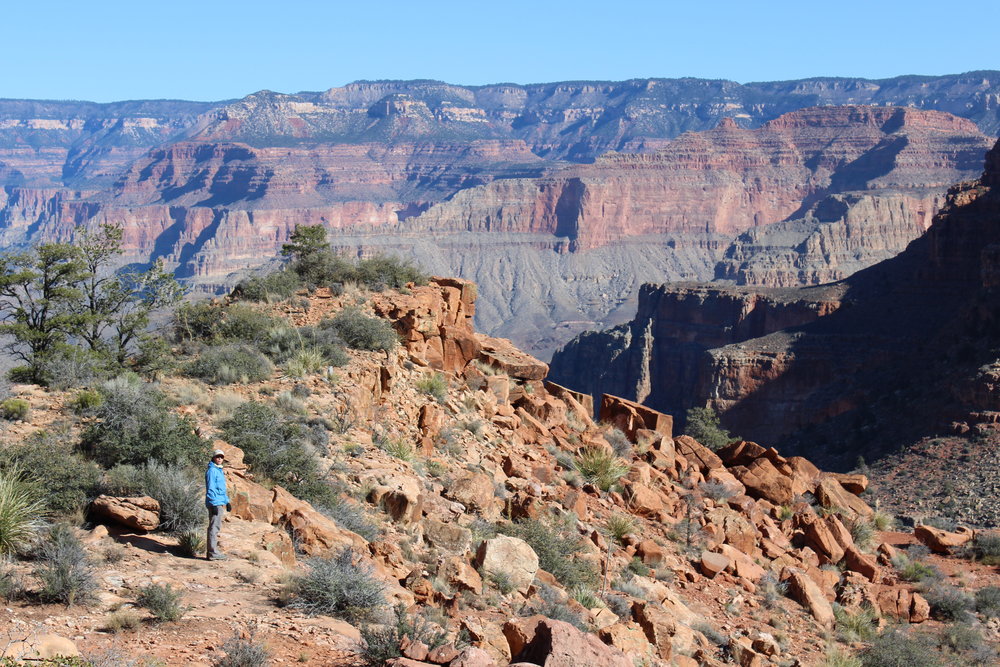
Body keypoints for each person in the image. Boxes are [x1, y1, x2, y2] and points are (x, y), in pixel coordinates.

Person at [205, 449, 231, 560]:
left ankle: (213, 552)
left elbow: (221, 489)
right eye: (217, 457)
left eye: (221, 457)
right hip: (214, 503)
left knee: (216, 526)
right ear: (213, 458)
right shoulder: (212, 471)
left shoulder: (218, 470)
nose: (220, 459)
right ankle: (213, 553)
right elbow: (211, 488)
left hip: (219, 502)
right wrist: (214, 504)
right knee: (214, 527)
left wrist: (227, 501)